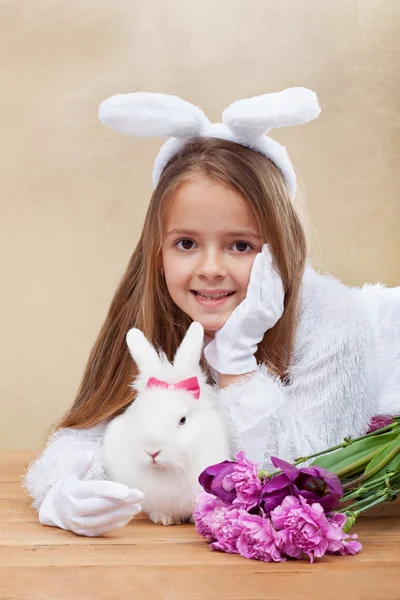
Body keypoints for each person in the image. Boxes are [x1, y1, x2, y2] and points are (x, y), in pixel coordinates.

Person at [22, 88, 400, 537]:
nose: (210, 270)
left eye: (241, 245)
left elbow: (305, 476)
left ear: (283, 246)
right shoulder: (155, 306)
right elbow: (90, 430)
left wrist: (237, 365)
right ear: (157, 249)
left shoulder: (334, 321)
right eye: (186, 244)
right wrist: (61, 489)